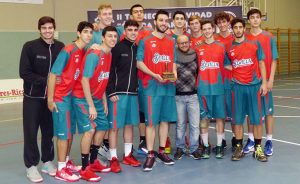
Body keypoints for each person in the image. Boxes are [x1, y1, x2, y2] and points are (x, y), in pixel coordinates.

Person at [19, 16, 64, 183]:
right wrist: (47, 80)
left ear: (54, 29)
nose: (47, 31)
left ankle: (47, 161)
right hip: (32, 99)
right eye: (44, 28)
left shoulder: (60, 47)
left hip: (52, 99)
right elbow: (24, 73)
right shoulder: (30, 47)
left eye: (50, 27)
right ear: (39, 30)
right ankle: (31, 166)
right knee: (30, 133)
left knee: (48, 132)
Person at [47, 21, 94, 182]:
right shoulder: (68, 50)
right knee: (63, 134)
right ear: (78, 33)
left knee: (70, 133)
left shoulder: (83, 51)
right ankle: (60, 169)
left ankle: (66, 162)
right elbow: (53, 74)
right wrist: (50, 99)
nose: (88, 35)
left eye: (90, 32)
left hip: (71, 98)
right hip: (60, 98)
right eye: (85, 32)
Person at [72, 26, 118, 181]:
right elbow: (85, 80)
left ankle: (93, 161)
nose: (113, 39)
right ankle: (85, 169)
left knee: (103, 126)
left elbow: (102, 79)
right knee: (90, 131)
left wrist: (104, 100)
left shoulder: (109, 54)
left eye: (115, 36)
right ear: (102, 38)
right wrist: (91, 105)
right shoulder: (94, 54)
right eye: (109, 36)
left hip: (97, 98)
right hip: (82, 98)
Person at [137, 9, 177, 171]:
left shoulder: (171, 41)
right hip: (151, 86)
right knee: (151, 122)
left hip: (167, 86)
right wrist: (154, 74)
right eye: (160, 20)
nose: (163, 23)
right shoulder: (145, 41)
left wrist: (174, 73)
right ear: (155, 22)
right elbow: (139, 63)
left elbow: (172, 61)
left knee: (165, 120)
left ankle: (161, 151)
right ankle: (151, 154)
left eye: (166, 21)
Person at [224, 18, 268, 162]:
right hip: (237, 87)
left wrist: (264, 83)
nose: (237, 30)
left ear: (244, 28)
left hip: (254, 86)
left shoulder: (254, 44)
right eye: (235, 27)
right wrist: (237, 70)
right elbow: (226, 65)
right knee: (237, 120)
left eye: (240, 27)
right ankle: (238, 148)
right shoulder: (229, 48)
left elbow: (261, 63)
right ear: (232, 30)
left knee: (256, 120)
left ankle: (258, 148)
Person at [106, 20, 141, 173]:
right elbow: (109, 70)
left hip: (133, 94)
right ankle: (113, 158)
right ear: (125, 31)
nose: (133, 32)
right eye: (130, 29)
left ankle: (127, 155)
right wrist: (111, 91)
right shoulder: (117, 48)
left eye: (135, 29)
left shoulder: (138, 48)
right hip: (117, 95)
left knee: (129, 125)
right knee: (114, 127)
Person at [91, 3, 124, 161]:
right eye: (104, 14)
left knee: (107, 119)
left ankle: (101, 149)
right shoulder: (94, 32)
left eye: (110, 14)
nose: (108, 16)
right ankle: (93, 154)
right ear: (99, 16)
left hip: (111, 80)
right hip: (96, 81)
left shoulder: (118, 31)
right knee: (96, 123)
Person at [244, 9, 278, 156]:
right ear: (249, 20)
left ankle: (269, 140)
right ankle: (251, 139)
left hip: (265, 81)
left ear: (261, 19)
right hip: (250, 81)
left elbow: (274, 59)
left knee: (268, 112)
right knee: (250, 112)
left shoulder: (268, 36)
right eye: (252, 17)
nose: (255, 20)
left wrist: (270, 79)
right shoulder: (245, 37)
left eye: (258, 17)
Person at [195, 20, 226, 159]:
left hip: (218, 88)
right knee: (204, 118)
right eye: (204, 29)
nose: (207, 31)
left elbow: (229, 65)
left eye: (209, 28)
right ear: (201, 31)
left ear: (213, 29)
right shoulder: (197, 48)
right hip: (203, 88)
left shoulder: (221, 46)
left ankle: (219, 146)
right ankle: (206, 146)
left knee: (220, 117)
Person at [129, 3, 153, 155]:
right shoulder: (124, 32)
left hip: (145, 78)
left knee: (144, 112)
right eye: (136, 12)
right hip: (129, 78)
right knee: (133, 113)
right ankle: (128, 147)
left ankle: (144, 142)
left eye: (141, 12)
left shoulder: (149, 32)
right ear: (131, 15)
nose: (138, 14)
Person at [173, 35, 201, 160]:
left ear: (189, 43)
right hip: (178, 96)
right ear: (177, 45)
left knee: (195, 125)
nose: (184, 45)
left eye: (186, 42)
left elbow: (199, 72)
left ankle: (194, 148)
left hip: (193, 96)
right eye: (181, 43)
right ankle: (180, 148)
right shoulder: (174, 56)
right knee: (180, 124)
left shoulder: (195, 55)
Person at [213, 12, 235, 150]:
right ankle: (221, 141)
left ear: (228, 23)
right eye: (219, 22)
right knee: (219, 114)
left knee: (234, 114)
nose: (222, 25)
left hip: (233, 81)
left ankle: (235, 139)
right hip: (218, 82)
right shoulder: (213, 39)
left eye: (224, 22)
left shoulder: (235, 38)